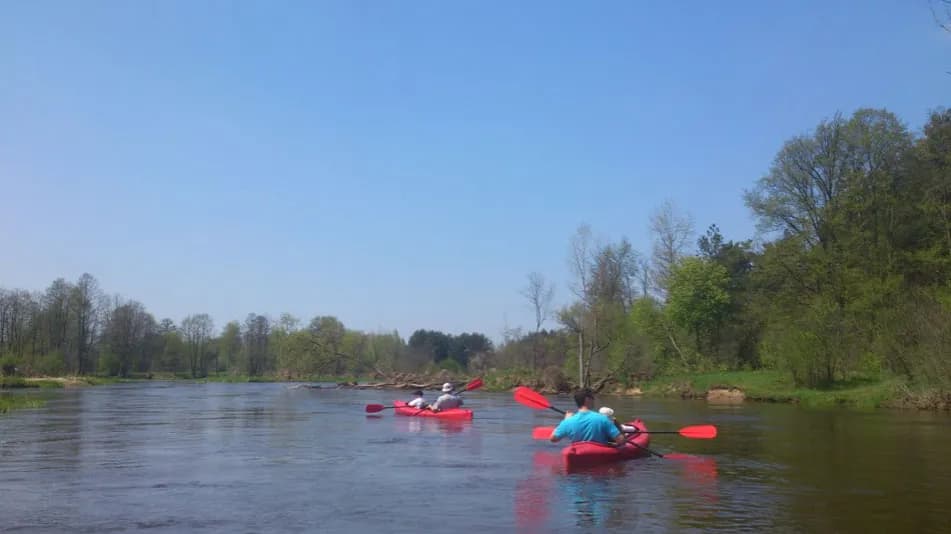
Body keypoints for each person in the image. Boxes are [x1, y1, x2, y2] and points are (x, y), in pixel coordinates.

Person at [550, 389, 626, 446]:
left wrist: (565, 420)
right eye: (592, 398)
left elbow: (553, 439)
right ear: (587, 399)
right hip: (599, 455)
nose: (594, 400)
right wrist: (618, 425)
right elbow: (621, 441)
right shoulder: (603, 419)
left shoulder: (568, 422)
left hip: (578, 455)